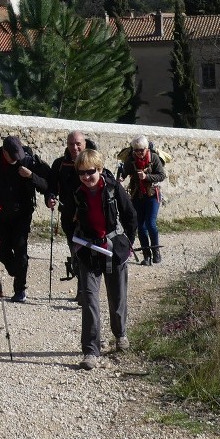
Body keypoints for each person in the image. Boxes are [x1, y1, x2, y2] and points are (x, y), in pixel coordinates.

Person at [71, 148, 137, 370]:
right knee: (89, 300)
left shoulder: (113, 188)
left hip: (114, 248)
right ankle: (91, 350)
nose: (86, 177)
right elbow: (68, 219)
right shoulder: (77, 192)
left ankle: (120, 335)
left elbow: (130, 215)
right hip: (88, 252)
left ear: (99, 169)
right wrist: (75, 245)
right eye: (81, 173)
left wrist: (129, 242)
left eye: (90, 172)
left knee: (117, 297)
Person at [0, 135, 50, 303]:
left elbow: (45, 185)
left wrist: (31, 175)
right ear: (4, 152)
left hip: (22, 213)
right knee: (0, 248)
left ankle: (19, 290)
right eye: (13, 156)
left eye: (19, 156)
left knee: (20, 249)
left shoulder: (28, 160)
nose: (17, 160)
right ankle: (16, 270)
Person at [45, 130, 96, 296]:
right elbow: (52, 186)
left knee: (85, 251)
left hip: (89, 216)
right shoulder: (60, 164)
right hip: (68, 216)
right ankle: (83, 288)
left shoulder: (93, 163)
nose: (74, 147)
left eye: (78, 144)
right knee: (75, 250)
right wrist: (50, 198)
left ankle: (85, 290)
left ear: (85, 144)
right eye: (71, 144)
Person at [119, 135, 167, 265]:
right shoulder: (131, 160)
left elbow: (162, 175)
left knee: (150, 223)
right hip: (137, 196)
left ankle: (156, 251)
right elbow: (124, 172)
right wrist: (121, 178)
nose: (139, 153)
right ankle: (147, 256)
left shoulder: (154, 158)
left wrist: (146, 177)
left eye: (142, 150)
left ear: (147, 149)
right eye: (136, 150)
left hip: (152, 196)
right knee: (140, 226)